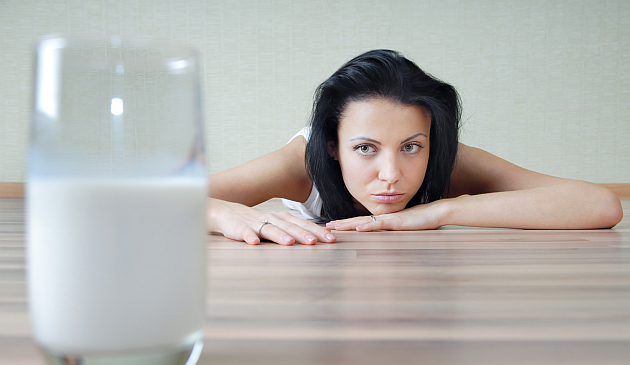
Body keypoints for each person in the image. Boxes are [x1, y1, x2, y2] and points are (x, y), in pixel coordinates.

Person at [207, 49, 623, 246]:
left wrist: (442, 210)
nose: (391, 173)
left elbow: (599, 204)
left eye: (410, 147)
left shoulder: (448, 159)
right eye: (366, 148)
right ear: (333, 146)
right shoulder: (299, 166)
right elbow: (153, 201)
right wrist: (218, 210)